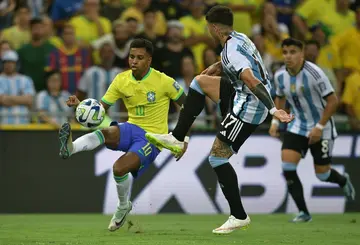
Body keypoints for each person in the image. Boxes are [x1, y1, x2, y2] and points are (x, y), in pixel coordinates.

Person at [145, 5, 293, 234]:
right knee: (199, 81)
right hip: (239, 93)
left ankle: (239, 216)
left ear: (214, 27)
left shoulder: (230, 51)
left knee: (217, 158)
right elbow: (232, 66)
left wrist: (273, 110)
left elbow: (251, 79)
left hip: (249, 106)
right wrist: (214, 67)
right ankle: (177, 137)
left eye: (208, 27)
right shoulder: (239, 38)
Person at [57, 39, 186, 232]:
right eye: (132, 56)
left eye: (140, 58)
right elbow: (100, 111)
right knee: (106, 131)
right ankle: (71, 148)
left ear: (149, 60)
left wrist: (183, 138)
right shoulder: (121, 80)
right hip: (132, 127)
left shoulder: (164, 81)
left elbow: (187, 106)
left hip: (153, 138)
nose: (134, 61)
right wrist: (81, 105)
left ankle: (123, 206)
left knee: (118, 168)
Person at [269, 38, 355, 223]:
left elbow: (333, 101)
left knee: (322, 174)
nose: (288, 56)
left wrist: (319, 127)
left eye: (293, 52)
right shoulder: (280, 75)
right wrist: (276, 122)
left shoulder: (315, 73)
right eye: (285, 52)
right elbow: (281, 98)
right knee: (287, 167)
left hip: (321, 128)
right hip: (297, 126)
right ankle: (304, 213)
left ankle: (342, 180)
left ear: (302, 53)